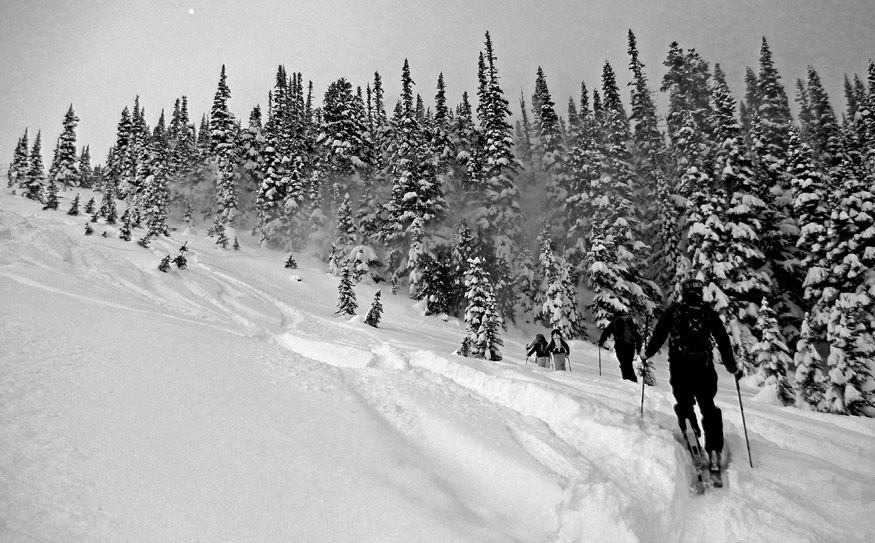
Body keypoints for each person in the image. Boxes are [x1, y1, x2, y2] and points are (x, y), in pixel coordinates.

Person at [642, 278, 742, 472]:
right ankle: (714, 449)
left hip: (679, 367)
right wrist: (731, 366)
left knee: (684, 404)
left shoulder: (675, 310)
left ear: (683, 292)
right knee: (708, 407)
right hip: (703, 368)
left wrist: (647, 354)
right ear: (700, 292)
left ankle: (691, 433)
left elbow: (659, 334)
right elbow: (722, 339)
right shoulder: (707, 312)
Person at [597, 312, 642, 382]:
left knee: (624, 364)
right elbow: (638, 336)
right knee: (628, 364)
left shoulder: (616, 321)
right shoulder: (629, 322)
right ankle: (632, 380)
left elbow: (606, 331)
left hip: (621, 346)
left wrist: (600, 343)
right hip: (631, 346)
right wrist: (638, 348)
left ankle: (627, 380)